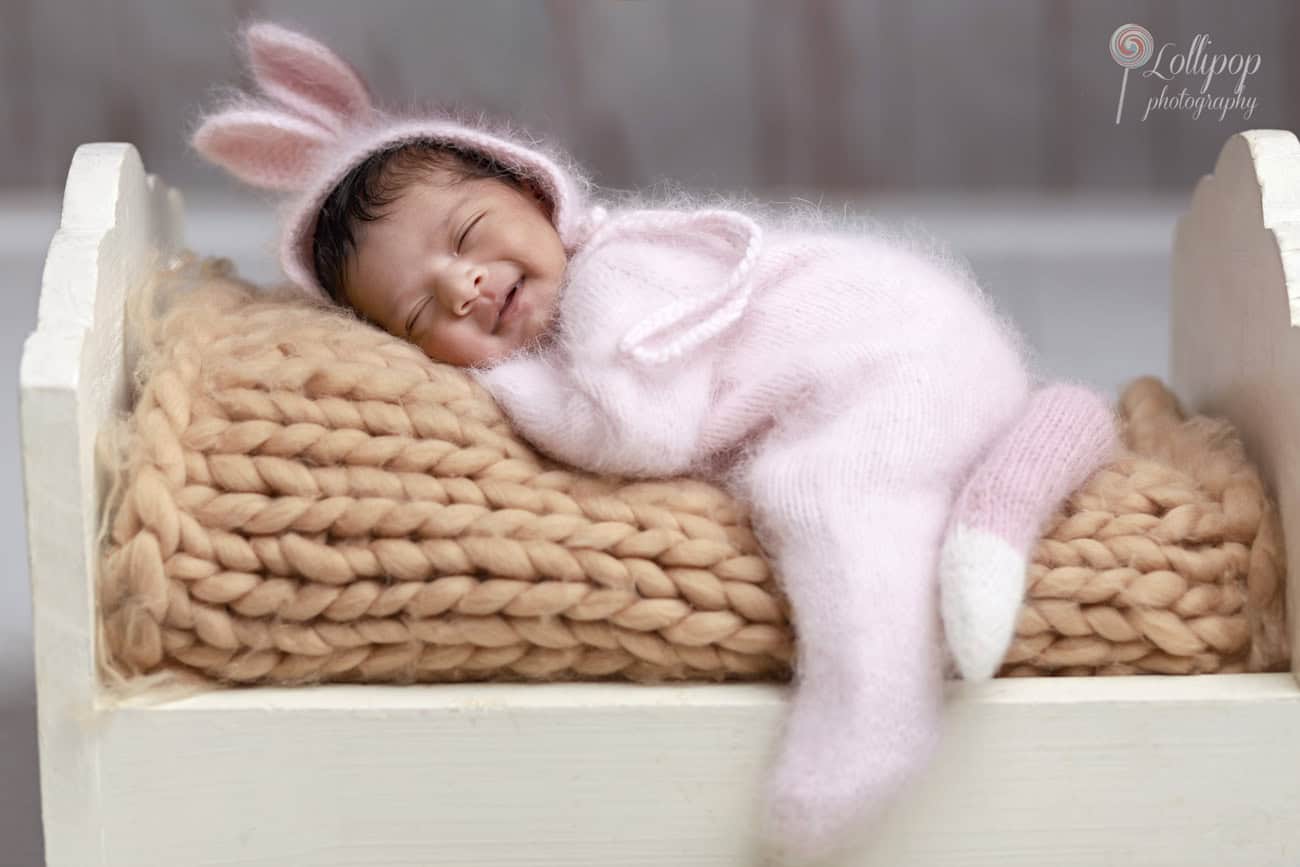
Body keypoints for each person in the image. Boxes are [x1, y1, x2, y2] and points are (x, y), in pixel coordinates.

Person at [193, 20, 1120, 862]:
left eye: (469, 235)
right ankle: (1026, 462)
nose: (466, 286)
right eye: (423, 308)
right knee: (818, 474)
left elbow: (639, 432)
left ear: (531, 186)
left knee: (825, 491)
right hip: (931, 353)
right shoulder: (585, 292)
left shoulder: (616, 278)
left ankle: (879, 707)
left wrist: (510, 383)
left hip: (898, 361)